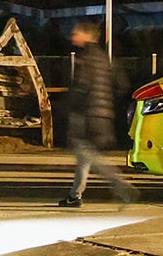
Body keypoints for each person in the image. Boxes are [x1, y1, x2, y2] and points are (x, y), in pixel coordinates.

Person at [59, 20, 138, 208]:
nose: (73, 36)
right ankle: (74, 196)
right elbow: (122, 85)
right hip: (103, 115)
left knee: (89, 155)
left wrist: (66, 108)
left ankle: (122, 186)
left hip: (87, 115)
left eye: (76, 32)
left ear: (87, 35)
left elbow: (81, 87)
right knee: (84, 156)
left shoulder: (85, 57)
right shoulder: (105, 58)